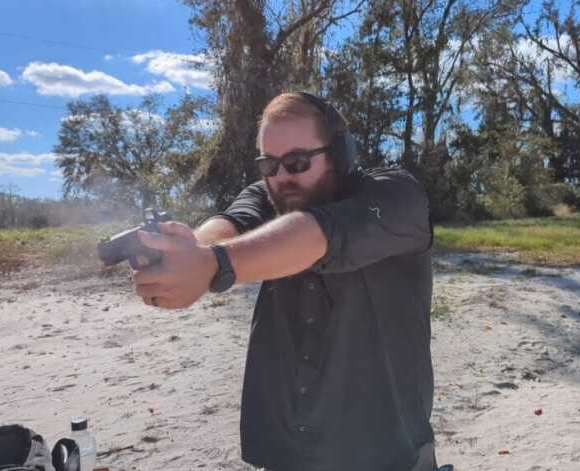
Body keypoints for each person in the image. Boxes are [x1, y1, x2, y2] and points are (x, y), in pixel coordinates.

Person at [130, 92, 439, 471]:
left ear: (339, 155)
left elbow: (316, 233)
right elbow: (233, 222)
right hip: (288, 453)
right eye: (268, 164)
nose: (281, 178)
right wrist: (185, 252)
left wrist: (213, 264)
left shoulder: (396, 197)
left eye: (297, 162)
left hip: (385, 454)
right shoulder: (274, 192)